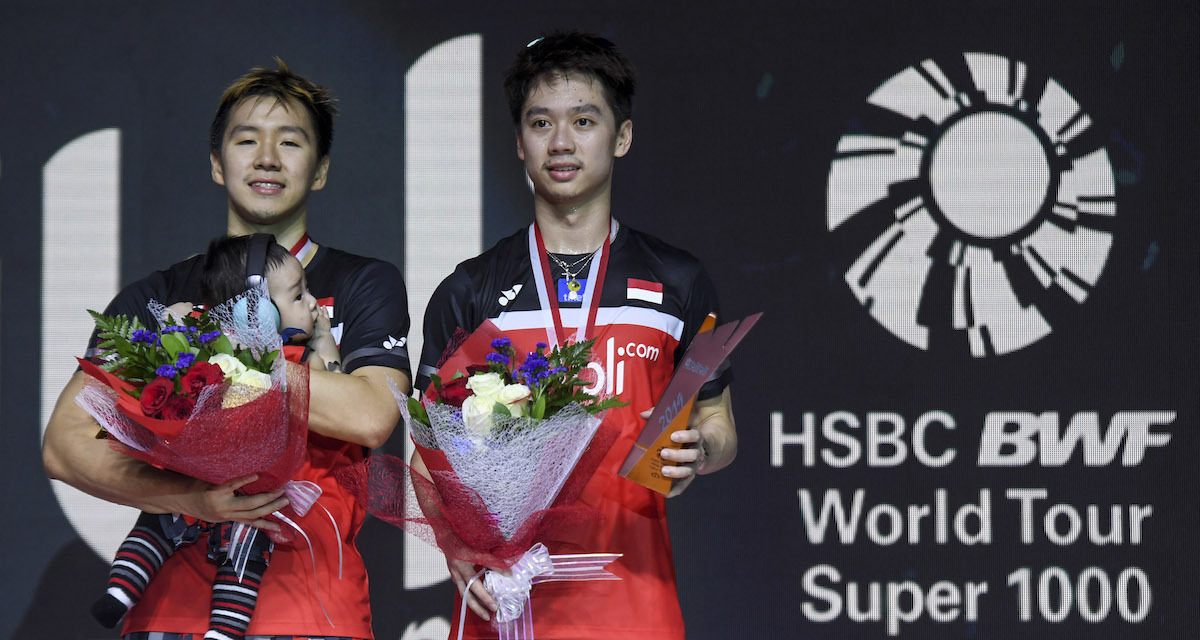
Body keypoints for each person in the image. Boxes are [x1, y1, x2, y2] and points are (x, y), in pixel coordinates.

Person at [43, 59, 411, 640]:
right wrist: (190, 498)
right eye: (246, 140)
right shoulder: (158, 296)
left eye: (290, 142)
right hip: (167, 612)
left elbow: (371, 416)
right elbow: (65, 445)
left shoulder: (365, 282)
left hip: (314, 608)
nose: (267, 158)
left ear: (319, 170)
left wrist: (226, 358)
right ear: (217, 164)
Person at [415, 31, 737, 640]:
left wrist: (703, 449)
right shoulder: (471, 290)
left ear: (622, 136)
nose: (560, 142)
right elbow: (429, 453)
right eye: (541, 123)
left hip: (635, 606)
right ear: (519, 142)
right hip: (508, 606)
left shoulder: (678, 280)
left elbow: (718, 418)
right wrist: (452, 540)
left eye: (583, 121)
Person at [91, 234, 343, 639]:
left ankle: (224, 631)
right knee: (158, 520)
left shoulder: (297, 360)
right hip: (191, 482)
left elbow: (336, 384)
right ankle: (120, 592)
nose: (314, 303)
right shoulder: (208, 346)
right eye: (299, 295)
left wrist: (322, 338)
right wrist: (176, 320)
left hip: (255, 490)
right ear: (256, 313)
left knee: (246, 552)